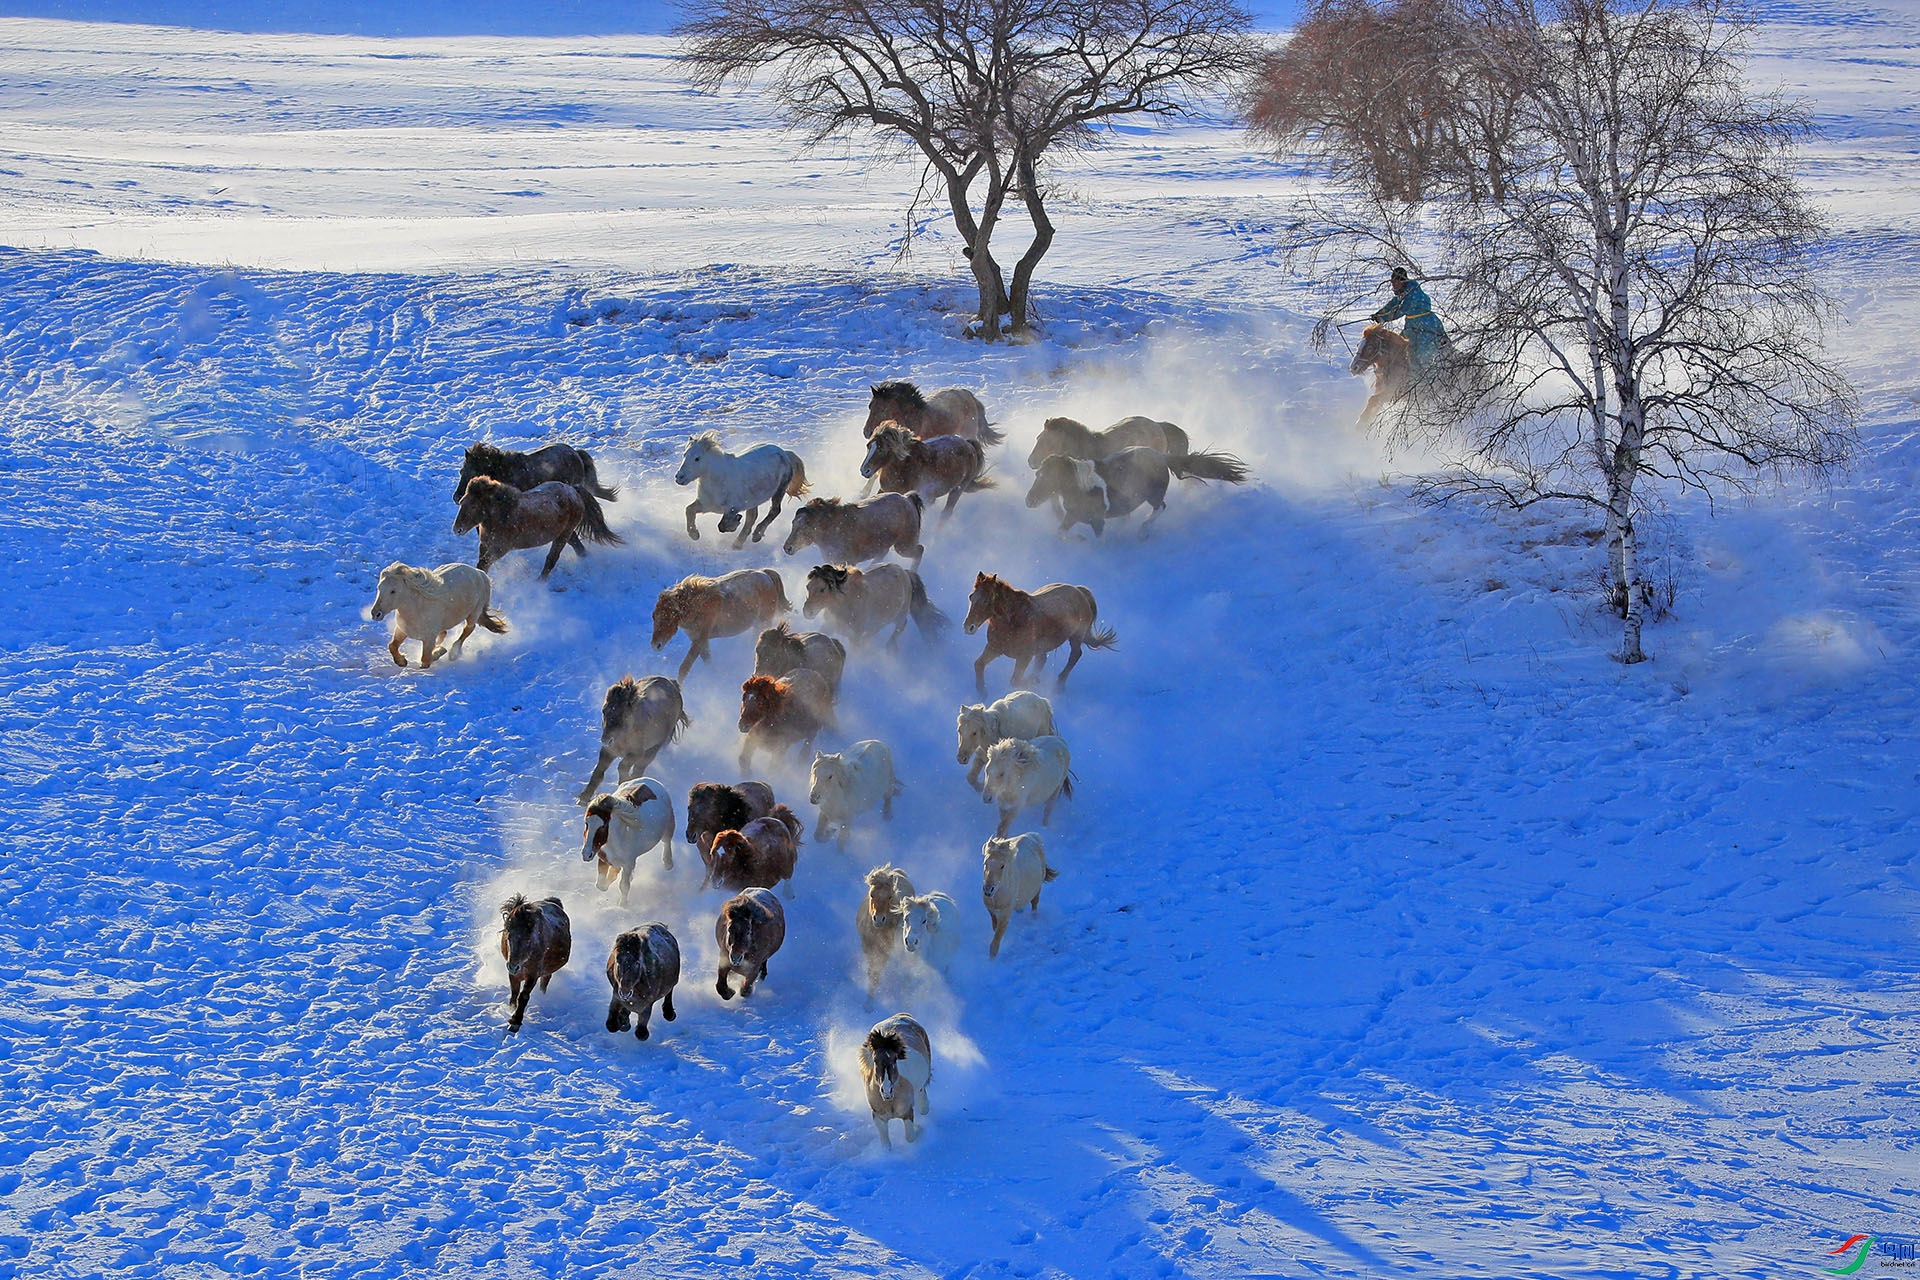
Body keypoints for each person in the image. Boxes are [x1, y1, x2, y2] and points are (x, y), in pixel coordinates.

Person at [1370, 267, 1450, 374]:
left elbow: (1402, 310)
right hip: (1412, 326)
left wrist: (1383, 318)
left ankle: (1421, 378)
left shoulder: (1413, 293)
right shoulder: (1404, 291)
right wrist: (1379, 313)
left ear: (1402, 281)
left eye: (1395, 283)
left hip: (1425, 326)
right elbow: (1393, 303)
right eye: (1392, 283)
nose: (1393, 286)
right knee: (1399, 347)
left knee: (1421, 354)